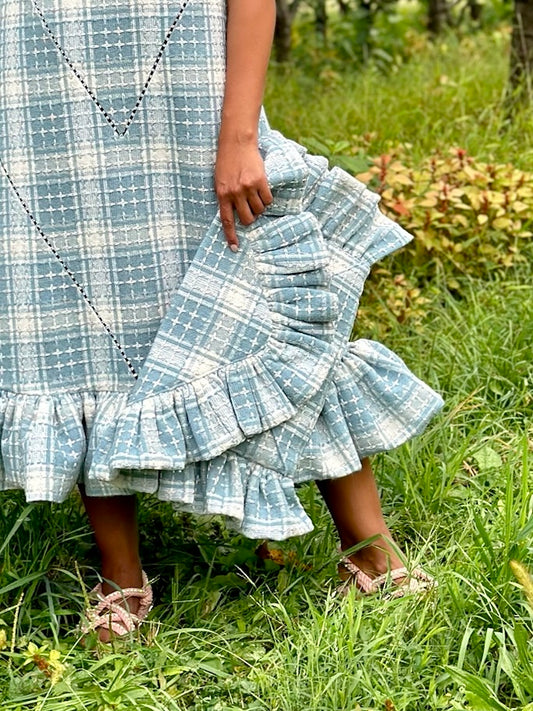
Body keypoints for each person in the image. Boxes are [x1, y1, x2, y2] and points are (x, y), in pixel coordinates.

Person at [0, 0, 443, 641]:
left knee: (265, 313)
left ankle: (372, 555)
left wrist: (238, 136)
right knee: (83, 332)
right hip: (37, 109)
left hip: (191, 101)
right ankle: (122, 580)